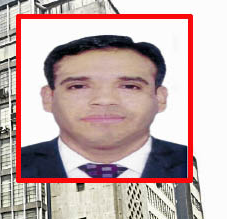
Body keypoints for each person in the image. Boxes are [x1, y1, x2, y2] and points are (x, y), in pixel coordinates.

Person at [20, 35, 187, 179]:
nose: (105, 100)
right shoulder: (19, 163)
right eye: (78, 86)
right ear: (48, 98)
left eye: (129, 86)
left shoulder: (186, 164)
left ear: (160, 98)